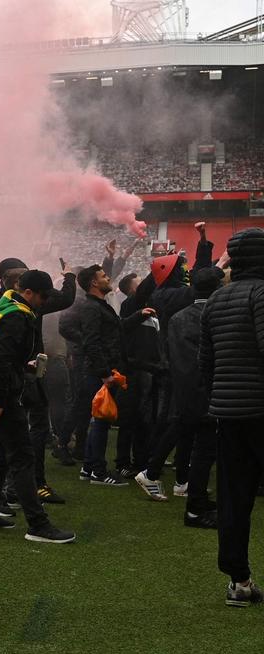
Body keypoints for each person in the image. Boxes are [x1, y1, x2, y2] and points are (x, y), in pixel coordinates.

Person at [0, 270, 75, 543]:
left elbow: (0, 358)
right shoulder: (17, 316)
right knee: (23, 456)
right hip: (0, 398)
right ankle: (38, 525)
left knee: (3, 454)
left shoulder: (6, 307)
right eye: (43, 296)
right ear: (28, 292)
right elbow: (0, 362)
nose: (44, 302)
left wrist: (19, 366)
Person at [201, 228, 264, 607]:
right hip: (260, 409)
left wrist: (221, 398)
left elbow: (204, 365)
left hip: (228, 413)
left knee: (234, 499)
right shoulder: (261, 293)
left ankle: (239, 582)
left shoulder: (216, 299)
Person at [136, 266, 223, 527]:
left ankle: (158, 475)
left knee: (182, 431)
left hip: (181, 385)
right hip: (206, 390)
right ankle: (194, 503)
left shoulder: (177, 317)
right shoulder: (214, 315)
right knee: (203, 448)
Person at [75, 264, 154, 486]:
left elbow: (117, 329)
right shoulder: (92, 307)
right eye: (103, 276)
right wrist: (104, 373)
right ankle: (98, 472)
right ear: (93, 283)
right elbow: (91, 341)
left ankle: (89, 467)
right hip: (100, 373)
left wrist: (139, 314)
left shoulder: (101, 305)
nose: (108, 278)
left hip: (105, 370)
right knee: (100, 421)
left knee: (99, 419)